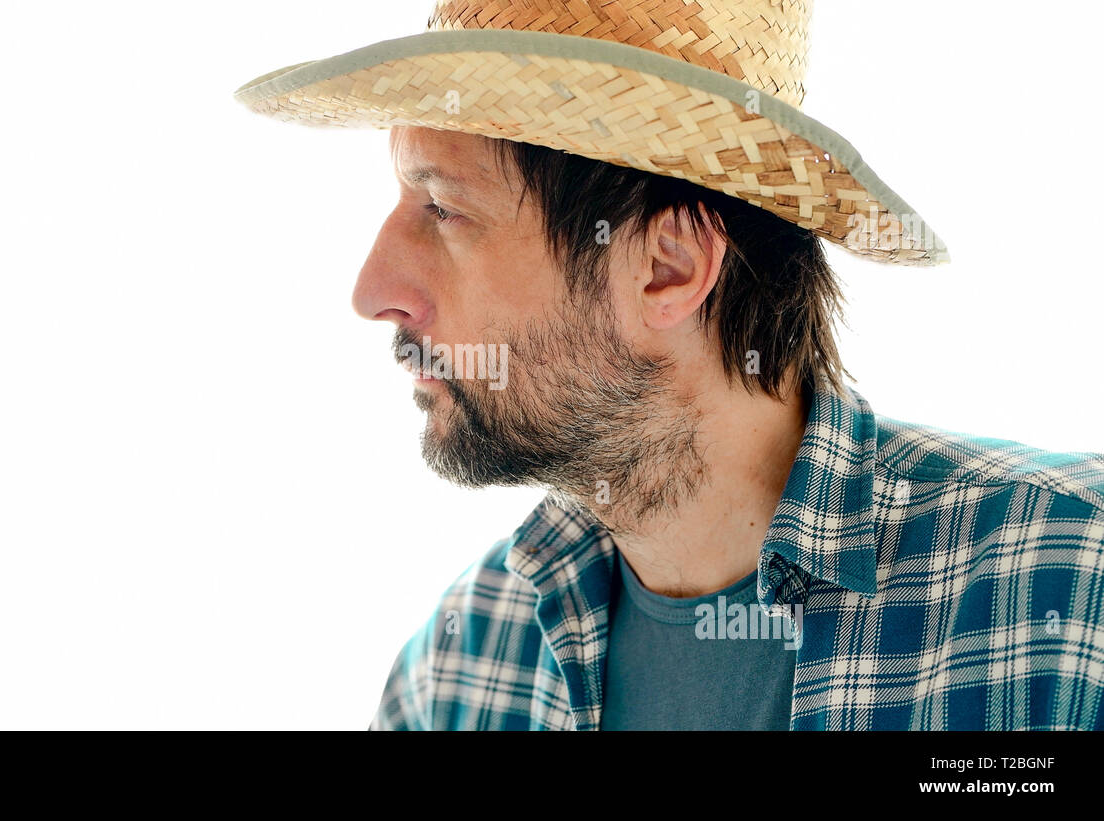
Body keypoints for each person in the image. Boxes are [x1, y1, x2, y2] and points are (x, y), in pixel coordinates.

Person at [234, 0, 1104, 729]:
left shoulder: (1068, 586)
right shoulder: (458, 673)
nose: (375, 290)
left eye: (444, 208)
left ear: (668, 267)